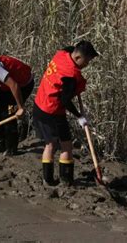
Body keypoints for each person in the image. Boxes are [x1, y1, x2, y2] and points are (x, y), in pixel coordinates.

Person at [33, 41, 99, 186]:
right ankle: (65, 179)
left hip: (39, 104)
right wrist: (79, 116)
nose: (87, 64)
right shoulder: (70, 75)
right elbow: (65, 100)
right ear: (77, 58)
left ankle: (47, 179)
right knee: (64, 145)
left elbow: (69, 48)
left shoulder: (62, 54)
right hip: (52, 110)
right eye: (87, 61)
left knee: (49, 144)